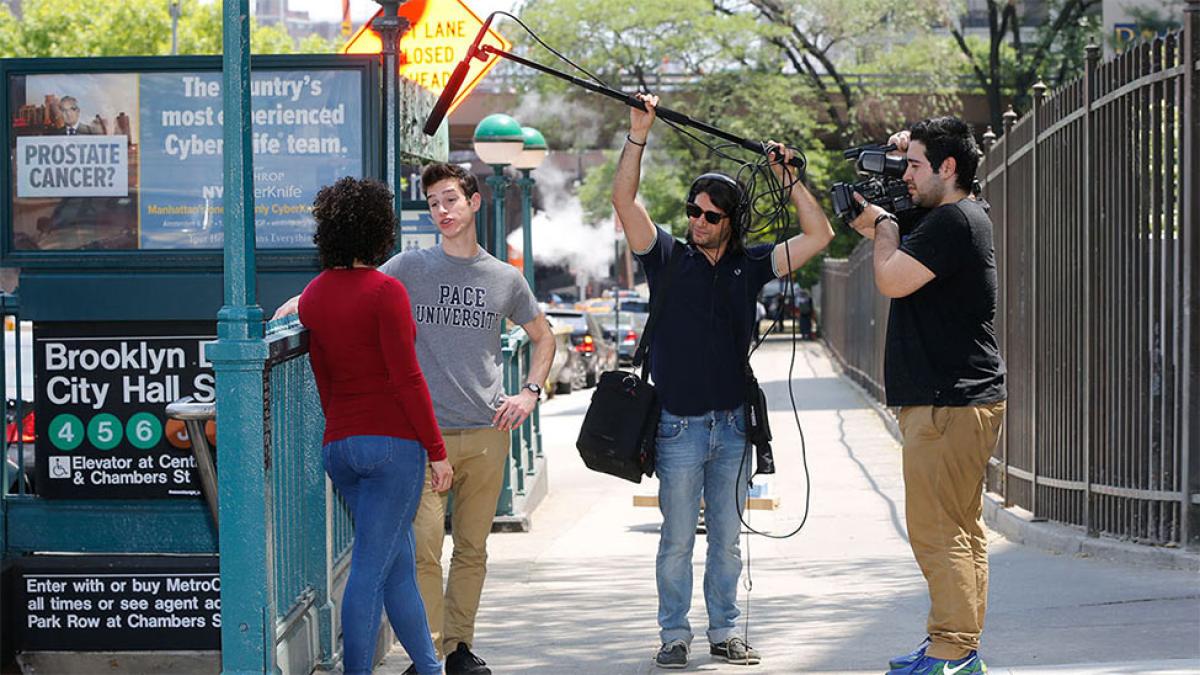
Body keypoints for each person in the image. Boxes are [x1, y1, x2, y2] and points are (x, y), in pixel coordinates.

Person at [276, 162, 555, 675]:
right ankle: (389, 660)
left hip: (423, 435)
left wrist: (530, 392)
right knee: (395, 560)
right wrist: (436, 451)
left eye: (450, 199)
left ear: (474, 202)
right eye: (433, 203)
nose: (442, 210)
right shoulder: (398, 276)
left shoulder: (503, 277)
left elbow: (543, 335)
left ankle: (445, 657)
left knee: (439, 555)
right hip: (408, 441)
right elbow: (395, 360)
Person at [613, 93, 834, 670]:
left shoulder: (751, 265)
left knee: (730, 544)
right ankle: (673, 635)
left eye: (711, 215)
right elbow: (623, 199)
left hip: (734, 427)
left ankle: (726, 631)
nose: (698, 222)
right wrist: (639, 132)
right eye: (693, 211)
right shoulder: (665, 257)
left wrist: (790, 182)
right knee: (677, 542)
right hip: (678, 429)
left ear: (731, 222)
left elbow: (819, 237)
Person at [848, 116, 1007, 675]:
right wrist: (895, 189)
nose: (905, 175)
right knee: (960, 530)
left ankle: (954, 651)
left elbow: (890, 277)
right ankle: (956, 644)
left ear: (948, 167)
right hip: (963, 400)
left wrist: (885, 220)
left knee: (937, 531)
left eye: (915, 165)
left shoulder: (952, 222)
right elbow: (900, 233)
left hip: (948, 402)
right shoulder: (959, 216)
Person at [297, 176, 452, 675]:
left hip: (340, 445)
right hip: (393, 448)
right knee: (369, 569)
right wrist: (436, 450)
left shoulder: (314, 295)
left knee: (396, 564)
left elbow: (324, 379)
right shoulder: (386, 291)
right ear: (379, 229)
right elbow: (408, 380)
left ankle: (429, 667)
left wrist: (344, 427)